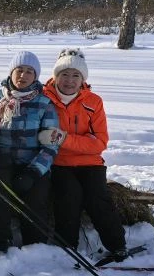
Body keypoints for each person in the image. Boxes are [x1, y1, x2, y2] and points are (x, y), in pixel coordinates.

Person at [41, 48, 128, 260]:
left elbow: (99, 142)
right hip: (59, 162)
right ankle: (66, 247)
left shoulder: (94, 101)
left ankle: (117, 245)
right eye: (64, 74)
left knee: (98, 199)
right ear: (56, 76)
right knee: (68, 197)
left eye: (75, 75)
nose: (69, 81)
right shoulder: (43, 98)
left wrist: (64, 139)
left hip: (91, 163)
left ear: (83, 79)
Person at [0, 51, 61, 250]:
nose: (24, 75)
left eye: (30, 71)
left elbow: (51, 144)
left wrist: (34, 171)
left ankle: (34, 247)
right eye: (19, 70)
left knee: (36, 199)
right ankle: (0, 241)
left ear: (35, 76)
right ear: (11, 72)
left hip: (31, 163)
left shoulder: (45, 104)